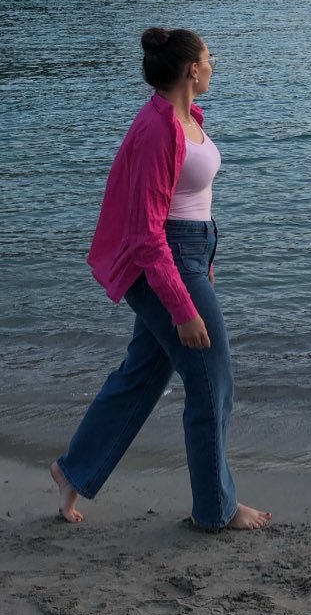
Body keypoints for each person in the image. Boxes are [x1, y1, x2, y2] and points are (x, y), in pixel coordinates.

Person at [50, 27, 271, 530]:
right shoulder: (157, 129)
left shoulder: (188, 118)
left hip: (190, 256)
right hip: (167, 263)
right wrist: (184, 307)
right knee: (212, 381)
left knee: (143, 375)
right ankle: (215, 509)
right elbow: (147, 235)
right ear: (192, 69)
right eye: (209, 58)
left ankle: (73, 471)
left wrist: (205, 264)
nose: (213, 65)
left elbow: (191, 204)